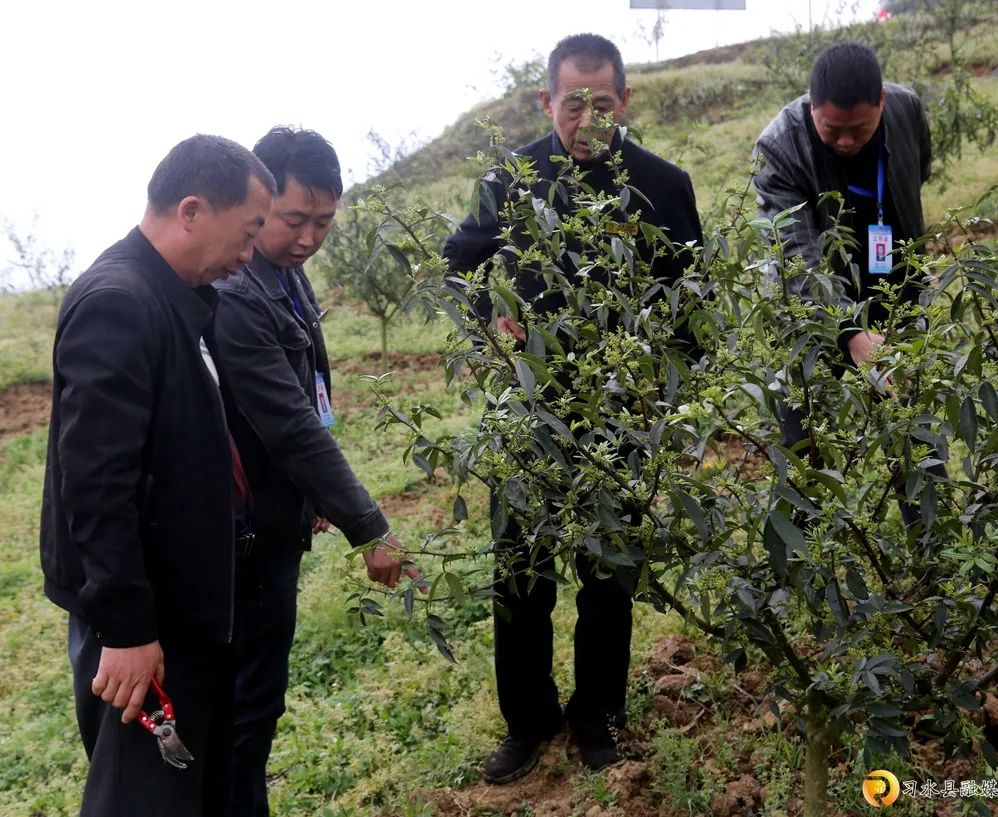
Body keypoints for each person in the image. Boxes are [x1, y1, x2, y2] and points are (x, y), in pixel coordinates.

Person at [443, 33, 704, 782]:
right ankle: (527, 721)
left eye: (601, 102)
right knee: (520, 575)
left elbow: (694, 301)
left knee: (607, 574)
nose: (586, 118)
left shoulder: (662, 183)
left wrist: (665, 388)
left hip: (620, 413)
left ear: (624, 101)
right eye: (570, 103)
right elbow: (456, 265)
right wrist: (491, 314)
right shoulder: (512, 178)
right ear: (544, 101)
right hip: (528, 412)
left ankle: (598, 717)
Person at [39, 134, 275, 817]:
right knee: (144, 797)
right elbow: (96, 481)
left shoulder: (177, 298)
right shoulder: (120, 302)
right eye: (249, 231)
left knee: (193, 786)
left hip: (184, 610)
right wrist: (127, 628)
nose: (248, 254)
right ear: (193, 210)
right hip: (143, 623)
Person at [212, 126, 419, 817]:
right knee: (247, 701)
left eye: (323, 222)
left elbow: (312, 394)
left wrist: (315, 494)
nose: (307, 237)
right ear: (259, 200)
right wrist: (372, 526)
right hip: (246, 532)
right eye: (294, 219)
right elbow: (291, 427)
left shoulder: (286, 276)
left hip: (280, 512)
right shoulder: (241, 293)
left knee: (257, 699)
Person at [753, 42, 942, 522]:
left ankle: (936, 559)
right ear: (811, 106)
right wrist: (847, 333)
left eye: (859, 129)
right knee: (803, 433)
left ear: (880, 100)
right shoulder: (780, 146)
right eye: (831, 130)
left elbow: (916, 172)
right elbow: (796, 256)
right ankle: (806, 562)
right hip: (813, 310)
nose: (844, 142)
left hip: (897, 293)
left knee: (914, 425)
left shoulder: (906, 109)